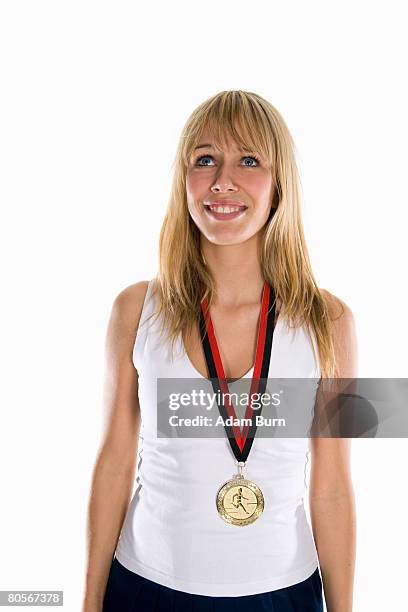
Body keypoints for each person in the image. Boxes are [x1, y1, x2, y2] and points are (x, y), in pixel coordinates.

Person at [82, 90, 357, 612]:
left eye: (248, 160)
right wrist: (90, 601)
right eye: (204, 159)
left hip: (281, 594)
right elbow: (114, 460)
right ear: (183, 181)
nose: (222, 181)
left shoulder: (332, 321)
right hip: (146, 588)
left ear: (279, 186)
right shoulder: (135, 309)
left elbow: (334, 486)